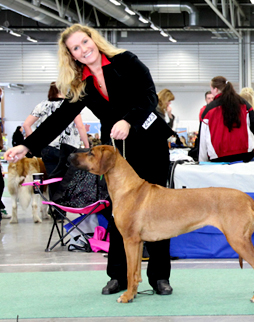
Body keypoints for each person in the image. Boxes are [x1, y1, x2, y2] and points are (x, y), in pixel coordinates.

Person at [5, 24, 175, 296]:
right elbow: (58, 119)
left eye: (85, 42)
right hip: (116, 152)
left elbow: (148, 95)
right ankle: (118, 276)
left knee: (157, 211)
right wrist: (27, 145)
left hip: (148, 142)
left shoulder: (126, 61)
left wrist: (128, 121)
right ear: (71, 55)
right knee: (118, 212)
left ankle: (159, 277)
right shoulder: (82, 83)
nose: (84, 49)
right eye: (76, 48)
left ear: (93, 40)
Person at [23, 82, 90, 196]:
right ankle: (61, 209)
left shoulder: (42, 105)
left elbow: (26, 125)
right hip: (67, 148)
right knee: (66, 180)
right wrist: (87, 145)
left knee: (52, 179)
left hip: (47, 148)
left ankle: (54, 208)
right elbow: (80, 126)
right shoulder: (70, 105)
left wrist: (36, 144)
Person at [198, 76, 254, 163]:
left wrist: (202, 161)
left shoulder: (209, 110)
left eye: (211, 89)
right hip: (244, 154)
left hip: (219, 157)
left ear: (215, 89)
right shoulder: (244, 104)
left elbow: (202, 138)